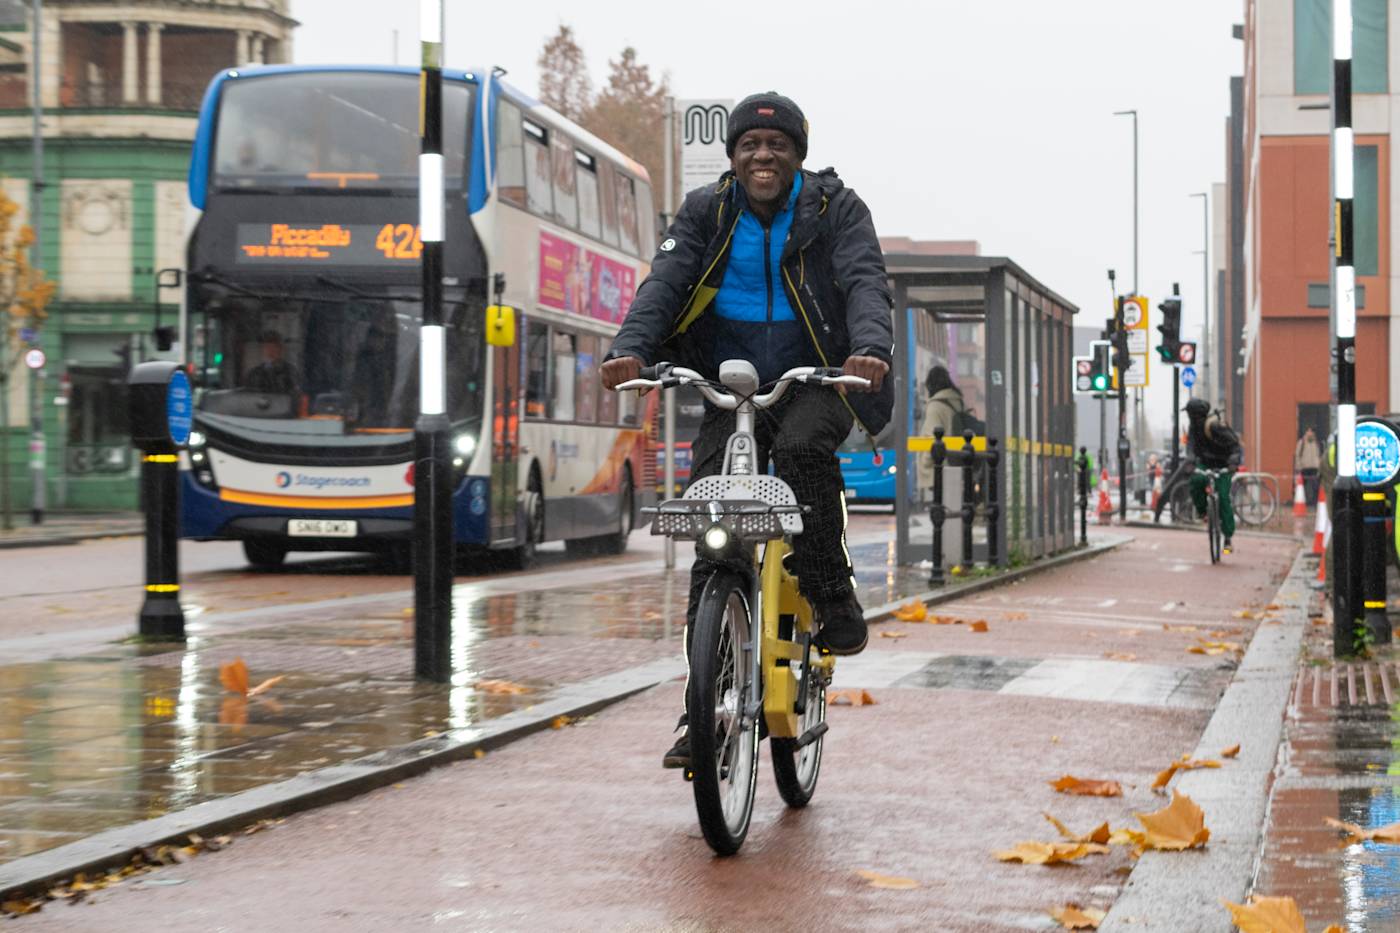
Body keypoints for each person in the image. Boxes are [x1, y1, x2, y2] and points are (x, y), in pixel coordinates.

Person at [600, 92, 894, 769]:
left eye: (777, 145)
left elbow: (864, 282)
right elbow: (664, 282)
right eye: (750, 146)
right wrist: (631, 349)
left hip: (817, 375)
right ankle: (703, 708)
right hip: (730, 386)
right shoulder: (707, 210)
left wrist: (869, 349)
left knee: (799, 451)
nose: (764, 156)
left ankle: (828, 587)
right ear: (733, 156)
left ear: (798, 155)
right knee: (715, 530)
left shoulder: (836, 209)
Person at [1184, 398, 1243, 553]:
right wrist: (1190, 461)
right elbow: (1190, 446)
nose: (1189, 417)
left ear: (1196, 414)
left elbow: (1235, 445)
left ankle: (1227, 537)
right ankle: (1203, 512)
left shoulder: (1215, 426)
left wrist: (1233, 462)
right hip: (1205, 463)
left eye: (1190, 414)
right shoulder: (1193, 428)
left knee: (1223, 497)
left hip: (1223, 465)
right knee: (1196, 480)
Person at [917, 365, 965, 493]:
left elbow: (932, 438)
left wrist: (925, 463)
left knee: (939, 500)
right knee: (953, 500)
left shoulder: (935, 406)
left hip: (939, 466)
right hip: (956, 461)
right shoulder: (957, 402)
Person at [245, 330, 299, 396]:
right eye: (267, 347)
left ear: (281, 349)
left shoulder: (290, 372)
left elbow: (295, 394)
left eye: (274, 347)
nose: (270, 351)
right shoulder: (254, 374)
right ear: (262, 349)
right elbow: (248, 396)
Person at [1295, 427, 1322, 506]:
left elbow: (1319, 455)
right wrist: (1299, 466)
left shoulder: (1316, 442)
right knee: (1303, 486)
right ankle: (1304, 501)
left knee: (1315, 486)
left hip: (1314, 467)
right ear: (1306, 432)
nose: (1310, 433)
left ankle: (1314, 501)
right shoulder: (1302, 442)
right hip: (1304, 467)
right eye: (1308, 431)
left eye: (1311, 431)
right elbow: (1297, 455)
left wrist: (1319, 465)